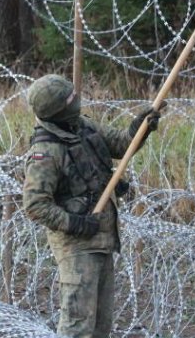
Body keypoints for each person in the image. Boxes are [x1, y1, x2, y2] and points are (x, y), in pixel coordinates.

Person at [22, 74, 160, 338]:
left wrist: (139, 129)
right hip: (77, 248)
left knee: (100, 325)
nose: (76, 99)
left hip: (104, 238)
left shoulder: (82, 126)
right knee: (78, 326)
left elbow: (121, 144)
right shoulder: (45, 152)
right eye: (70, 99)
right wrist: (76, 223)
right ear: (57, 109)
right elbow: (35, 205)